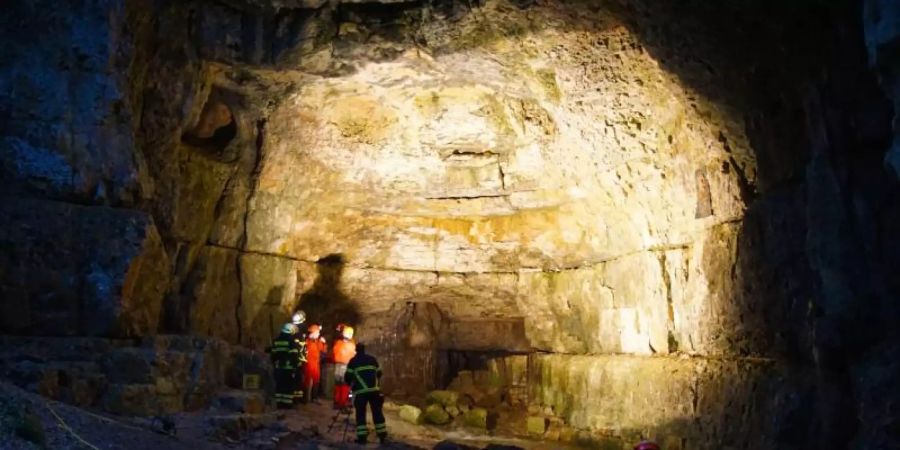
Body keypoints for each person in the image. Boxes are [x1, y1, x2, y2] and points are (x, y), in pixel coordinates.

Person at [344, 343, 386, 444]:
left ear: (356, 350)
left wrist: (352, 385)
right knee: (377, 412)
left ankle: (362, 438)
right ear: (364, 350)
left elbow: (347, 377)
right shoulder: (372, 359)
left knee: (361, 414)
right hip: (374, 391)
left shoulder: (353, 361)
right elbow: (379, 372)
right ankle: (382, 435)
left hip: (361, 392)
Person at [268, 323, 303, 408]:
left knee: (279, 386)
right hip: (288, 368)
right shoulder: (291, 341)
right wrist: (296, 366)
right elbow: (294, 354)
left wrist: (274, 363)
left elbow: (273, 354)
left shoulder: (276, 340)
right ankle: (287, 404)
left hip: (279, 367)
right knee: (288, 386)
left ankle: (279, 403)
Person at [332, 325, 356, 410]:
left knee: (338, 385)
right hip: (346, 366)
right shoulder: (351, 345)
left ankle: (336, 403)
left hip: (337, 366)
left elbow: (334, 353)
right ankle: (343, 404)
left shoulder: (338, 343)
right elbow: (354, 356)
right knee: (345, 386)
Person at [303, 323, 327, 403]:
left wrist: (324, 343)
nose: (319, 334)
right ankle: (306, 398)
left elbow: (323, 351)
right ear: (313, 333)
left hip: (315, 364)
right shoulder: (307, 341)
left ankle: (314, 397)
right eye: (317, 332)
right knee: (307, 381)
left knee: (316, 380)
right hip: (308, 364)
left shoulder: (317, 341)